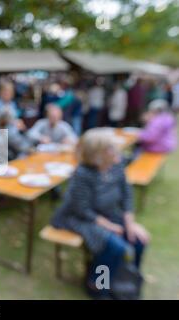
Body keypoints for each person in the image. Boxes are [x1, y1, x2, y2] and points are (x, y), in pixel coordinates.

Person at [51, 128, 150, 299]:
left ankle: (127, 280)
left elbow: (127, 194)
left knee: (139, 240)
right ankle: (98, 285)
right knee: (114, 246)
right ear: (96, 154)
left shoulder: (117, 165)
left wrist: (130, 223)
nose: (115, 151)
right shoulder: (82, 173)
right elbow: (81, 210)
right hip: (79, 217)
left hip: (108, 213)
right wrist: (110, 226)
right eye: (109, 148)